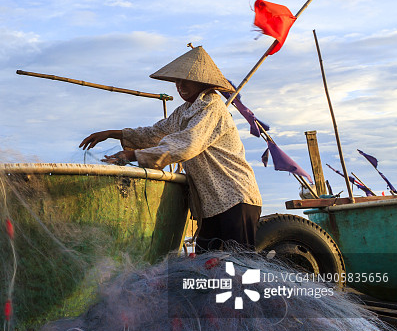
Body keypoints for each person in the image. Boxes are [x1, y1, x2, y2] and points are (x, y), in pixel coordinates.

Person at [79, 45, 262, 251]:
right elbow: (154, 133)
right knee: (209, 267)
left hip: (235, 199)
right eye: (177, 81)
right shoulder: (184, 111)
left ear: (201, 80)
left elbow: (186, 145)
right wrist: (113, 133)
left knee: (240, 267)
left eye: (185, 80)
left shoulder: (212, 106)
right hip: (212, 205)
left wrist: (130, 155)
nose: (180, 86)